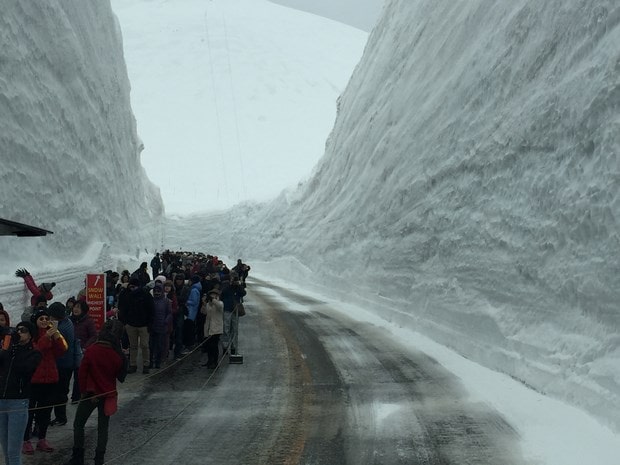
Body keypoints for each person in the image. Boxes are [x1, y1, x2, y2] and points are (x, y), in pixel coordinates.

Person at [64, 320, 127, 465]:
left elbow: (82, 373)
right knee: (103, 428)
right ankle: (99, 458)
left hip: (90, 394)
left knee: (79, 424)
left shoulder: (92, 350)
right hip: (108, 394)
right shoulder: (117, 355)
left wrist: (83, 390)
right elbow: (121, 377)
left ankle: (78, 456)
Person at [22, 309, 68, 454]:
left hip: (50, 378)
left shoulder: (51, 333)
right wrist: (47, 336)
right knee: (29, 411)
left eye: (46, 318)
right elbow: (36, 350)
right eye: (41, 318)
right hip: (34, 380)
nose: (43, 321)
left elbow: (62, 350)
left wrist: (56, 336)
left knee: (46, 412)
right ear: (35, 321)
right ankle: (26, 440)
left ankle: (42, 438)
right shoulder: (32, 336)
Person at [0, 321, 42, 465]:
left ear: (30, 335)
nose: (19, 333)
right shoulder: (9, 350)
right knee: (5, 448)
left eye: (23, 330)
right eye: (17, 330)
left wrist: (13, 351)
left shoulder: (34, 353)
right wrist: (6, 348)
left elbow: (25, 369)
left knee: (13, 450)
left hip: (18, 403)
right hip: (2, 401)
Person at [48, 303, 81, 427]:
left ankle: (60, 417)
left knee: (59, 392)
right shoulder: (68, 322)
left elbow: (57, 345)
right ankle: (60, 416)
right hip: (67, 363)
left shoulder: (61, 328)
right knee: (60, 391)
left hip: (62, 364)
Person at [117, 278, 154, 374]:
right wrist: (125, 322)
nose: (133, 288)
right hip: (131, 325)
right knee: (133, 346)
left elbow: (151, 310)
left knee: (145, 345)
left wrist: (150, 323)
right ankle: (133, 364)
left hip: (144, 325)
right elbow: (123, 309)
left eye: (134, 286)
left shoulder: (146, 295)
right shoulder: (127, 295)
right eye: (131, 286)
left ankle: (146, 364)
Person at [70, 301, 97, 403]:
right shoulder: (69, 320)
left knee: (78, 375)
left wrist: (85, 347)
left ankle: (75, 397)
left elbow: (94, 335)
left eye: (79, 307)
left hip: (81, 352)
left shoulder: (88, 321)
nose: (76, 309)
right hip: (69, 351)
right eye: (75, 307)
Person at [148, 282, 171, 369]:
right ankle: (150, 362)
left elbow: (169, 313)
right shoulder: (151, 301)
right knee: (151, 345)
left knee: (160, 345)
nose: (157, 293)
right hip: (152, 326)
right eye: (155, 291)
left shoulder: (166, 301)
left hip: (162, 326)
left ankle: (158, 362)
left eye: (158, 291)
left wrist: (165, 321)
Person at [200, 289, 223, 369]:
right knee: (209, 346)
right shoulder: (208, 305)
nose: (212, 296)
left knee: (214, 346)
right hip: (209, 328)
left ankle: (215, 361)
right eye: (211, 295)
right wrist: (204, 303)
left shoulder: (220, 303)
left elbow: (219, 306)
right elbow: (204, 313)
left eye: (214, 295)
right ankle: (209, 361)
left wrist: (212, 300)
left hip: (216, 328)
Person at [173, 273, 190, 359]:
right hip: (172, 311)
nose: (178, 281)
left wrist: (175, 299)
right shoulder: (173, 288)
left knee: (179, 331)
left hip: (180, 311)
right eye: (177, 279)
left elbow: (184, 299)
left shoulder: (185, 289)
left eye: (180, 279)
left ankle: (177, 351)